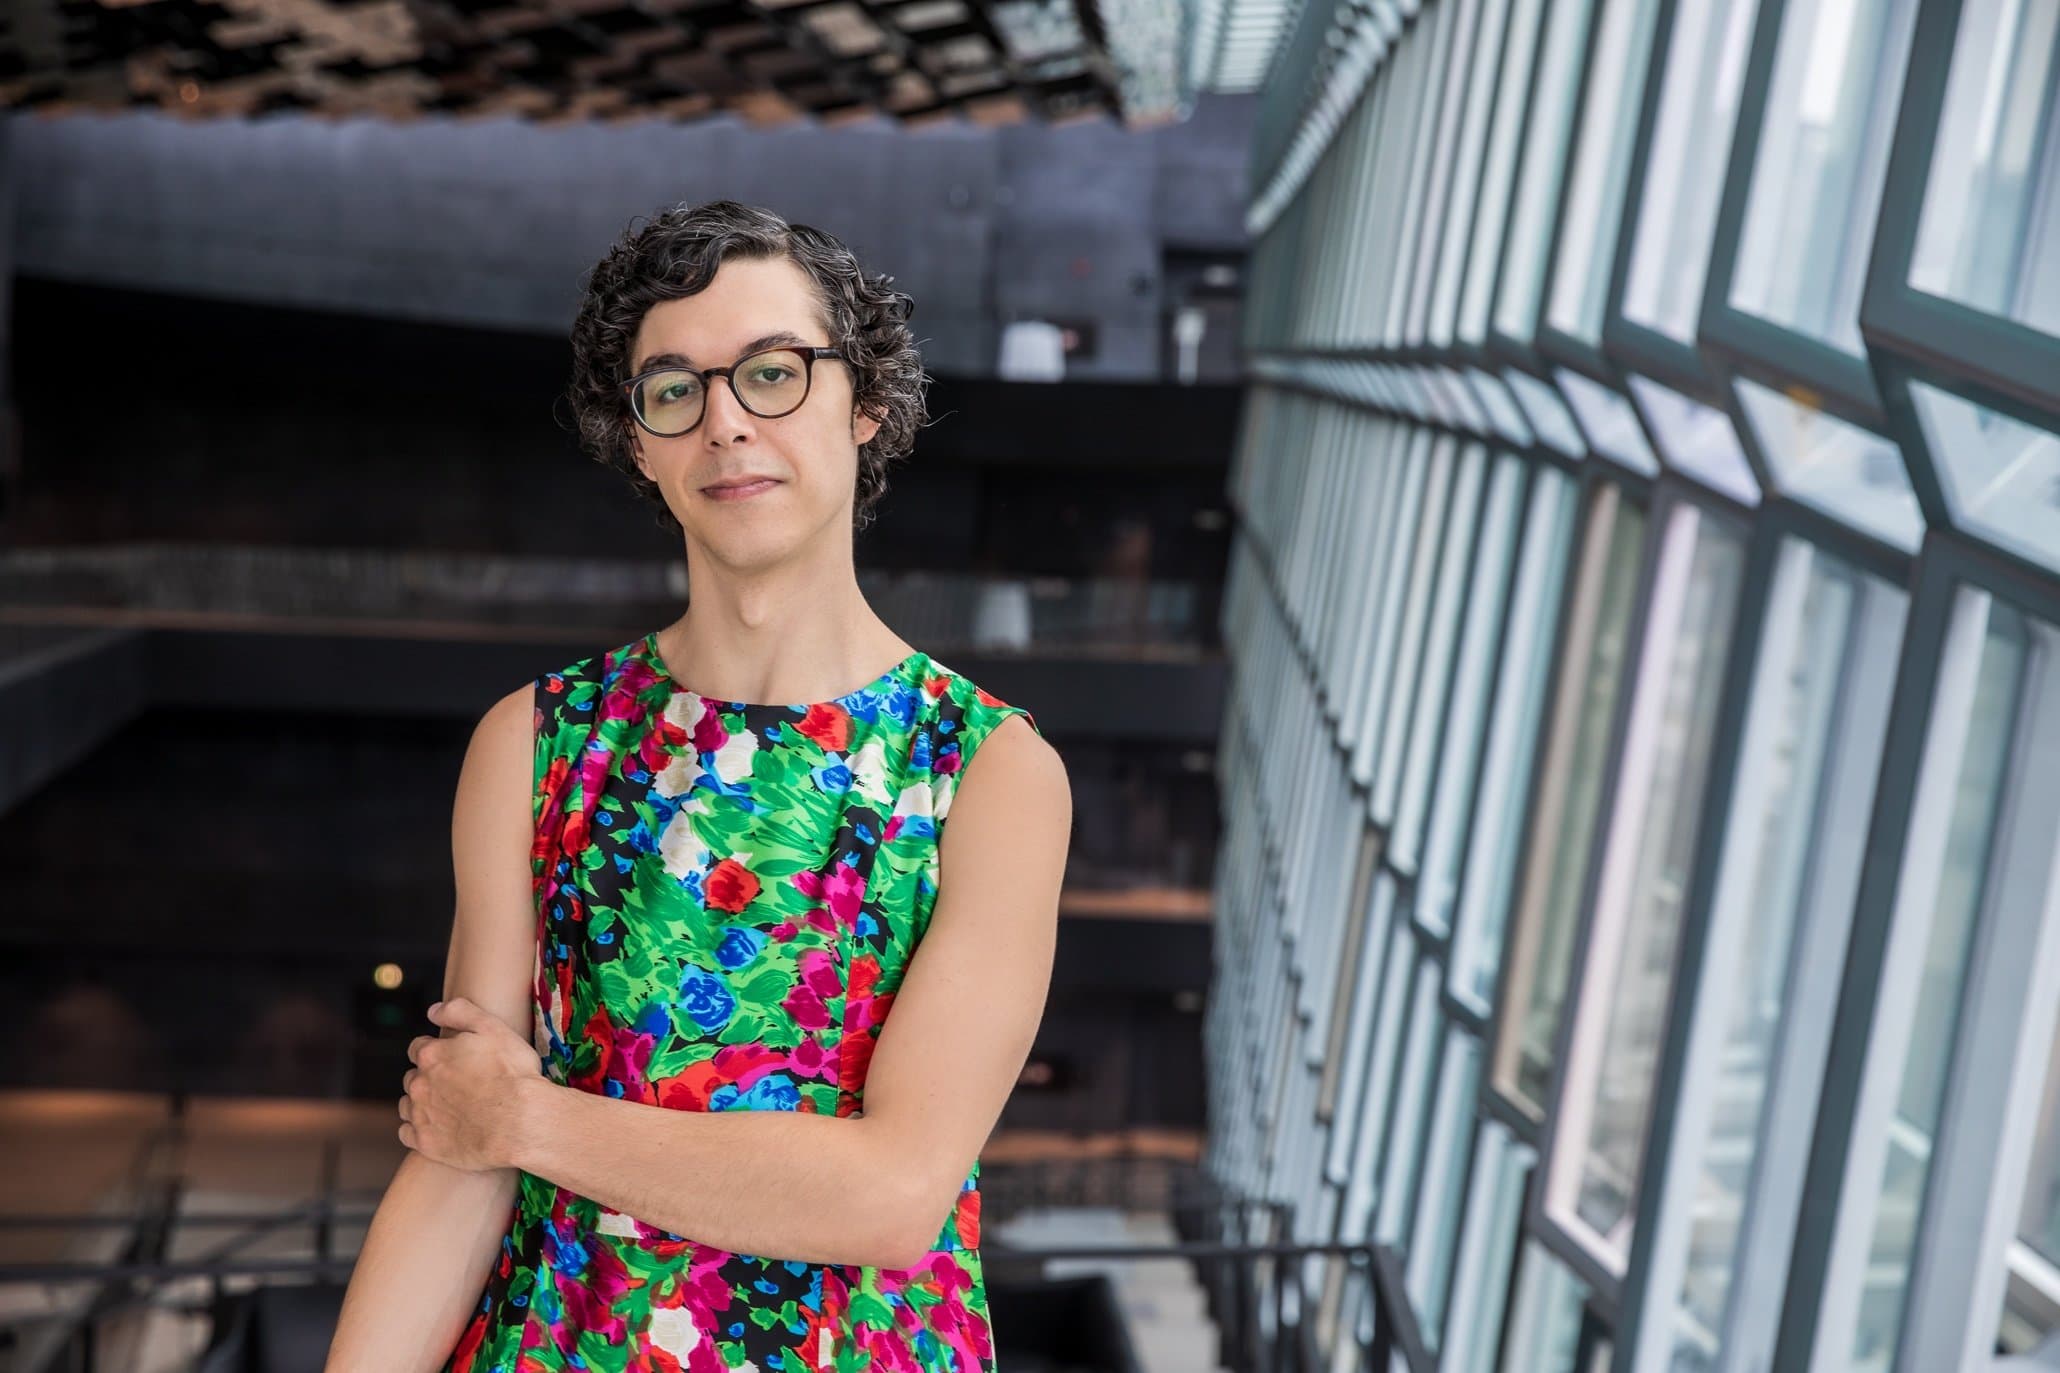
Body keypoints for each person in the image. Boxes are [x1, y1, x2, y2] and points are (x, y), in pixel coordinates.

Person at [324, 199, 1073, 1373]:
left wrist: (526, 1119)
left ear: (865, 399)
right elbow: (456, 1168)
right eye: (675, 389)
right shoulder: (533, 741)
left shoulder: (989, 772)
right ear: (639, 441)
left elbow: (889, 1194)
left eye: (771, 373)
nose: (725, 423)